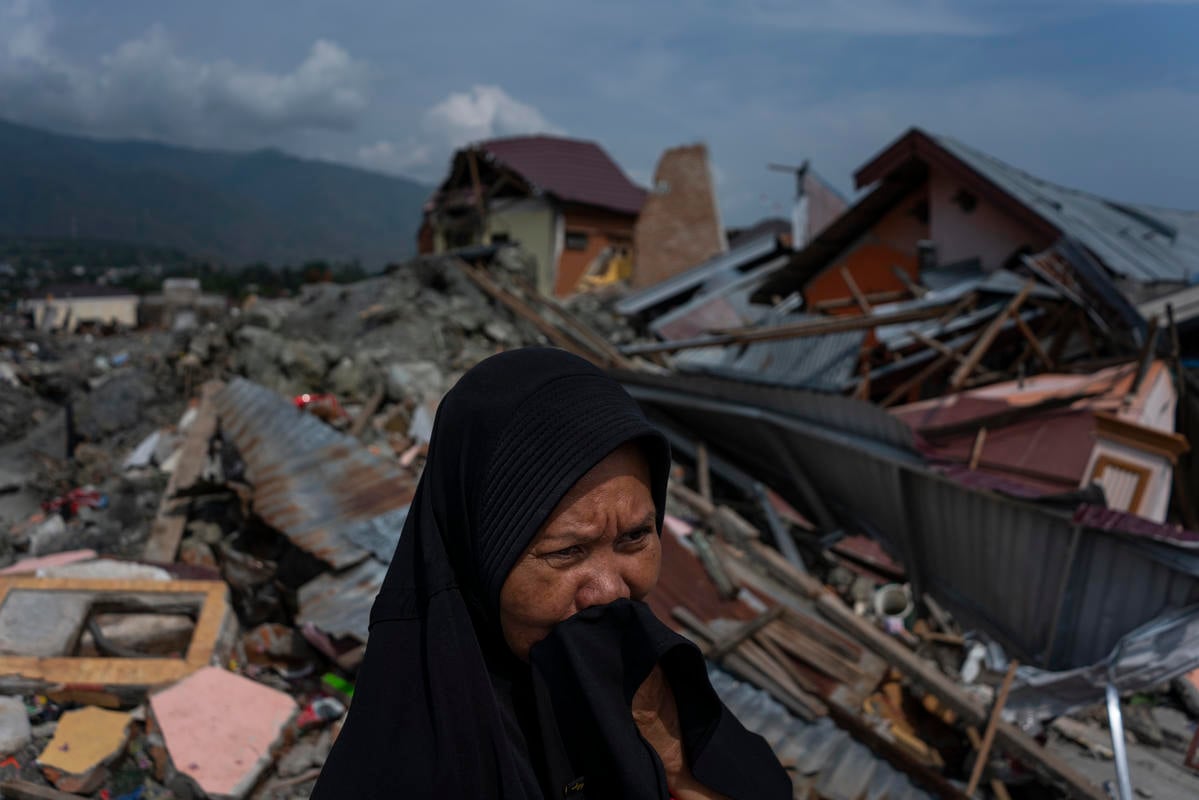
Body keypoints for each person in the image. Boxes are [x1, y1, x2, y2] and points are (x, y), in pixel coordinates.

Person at [311, 347, 791, 799]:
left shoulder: (645, 681)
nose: (610, 591)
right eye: (567, 552)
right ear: (479, 558)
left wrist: (668, 754)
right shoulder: (413, 761)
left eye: (634, 538)